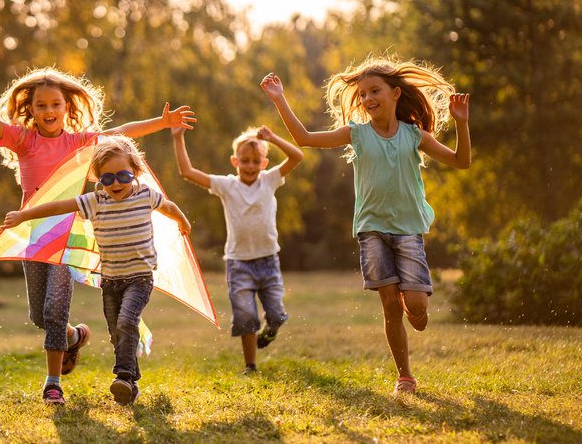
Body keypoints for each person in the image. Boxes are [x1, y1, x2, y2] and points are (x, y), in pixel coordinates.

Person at [0, 51, 196, 405]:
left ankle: (53, 383)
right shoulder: (23, 140)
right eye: (41, 105)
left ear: (66, 107)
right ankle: (75, 337)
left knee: (55, 310)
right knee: (39, 316)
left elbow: (120, 133)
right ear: (30, 109)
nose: (49, 111)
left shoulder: (78, 143)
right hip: (33, 237)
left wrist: (161, 122)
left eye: (55, 104)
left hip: (66, 236)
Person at [260, 56, 471, 395]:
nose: (368, 98)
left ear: (395, 94)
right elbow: (304, 138)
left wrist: (461, 122)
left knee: (416, 310)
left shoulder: (413, 135)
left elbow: (462, 161)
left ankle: (413, 306)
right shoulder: (356, 134)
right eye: (362, 94)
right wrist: (278, 98)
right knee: (390, 305)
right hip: (371, 229)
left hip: (408, 230)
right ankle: (405, 376)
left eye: (375, 90)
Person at [1, 135, 191, 405]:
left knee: (127, 322)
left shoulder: (146, 195)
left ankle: (123, 377)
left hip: (140, 279)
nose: (116, 184)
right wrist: (24, 215)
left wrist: (182, 222)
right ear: (99, 180)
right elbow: (58, 206)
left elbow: (168, 206)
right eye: (107, 178)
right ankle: (131, 384)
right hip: (110, 281)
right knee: (117, 333)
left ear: (135, 173)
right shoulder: (96, 201)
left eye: (123, 176)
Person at [171, 125, 302, 374]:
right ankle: (250, 366)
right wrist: (178, 137)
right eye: (244, 161)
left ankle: (271, 331)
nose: (250, 166)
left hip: (268, 260)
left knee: (276, 315)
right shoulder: (227, 185)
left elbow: (297, 156)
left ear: (264, 162)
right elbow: (187, 172)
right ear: (235, 161)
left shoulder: (270, 180)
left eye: (255, 161)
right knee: (245, 317)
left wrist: (273, 138)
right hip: (238, 263)